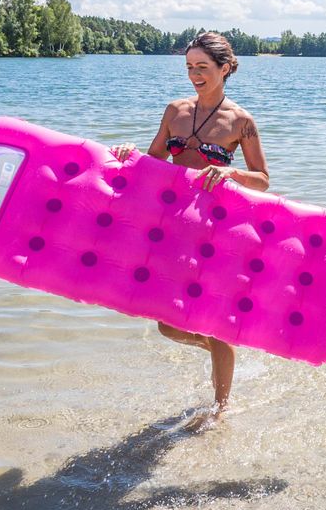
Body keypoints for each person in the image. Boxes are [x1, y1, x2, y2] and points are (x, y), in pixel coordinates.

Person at [110, 32, 269, 428]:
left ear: (225, 69)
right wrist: (126, 156)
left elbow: (263, 179)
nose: (194, 75)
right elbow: (153, 161)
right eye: (189, 67)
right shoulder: (175, 111)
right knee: (166, 322)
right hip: (174, 224)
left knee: (211, 320)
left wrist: (230, 171)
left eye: (203, 67)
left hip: (217, 230)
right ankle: (221, 350)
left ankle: (220, 408)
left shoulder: (242, 122)